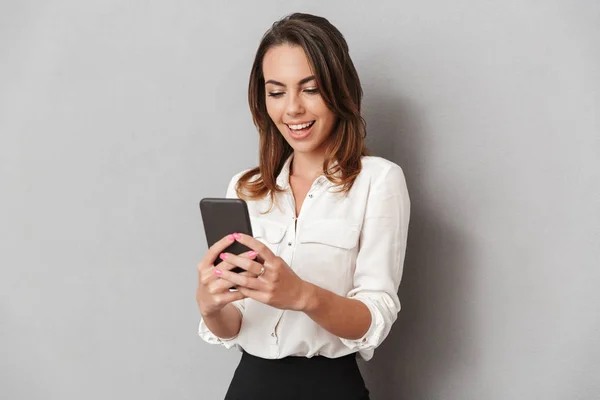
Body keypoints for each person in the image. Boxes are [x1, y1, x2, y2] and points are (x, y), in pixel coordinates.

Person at [195, 12, 410, 400]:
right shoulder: (246, 188)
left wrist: (301, 294)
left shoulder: (378, 180)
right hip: (249, 386)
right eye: (276, 92)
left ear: (339, 90)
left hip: (329, 387)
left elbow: (375, 316)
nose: (292, 108)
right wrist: (211, 307)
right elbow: (235, 323)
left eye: (310, 89)